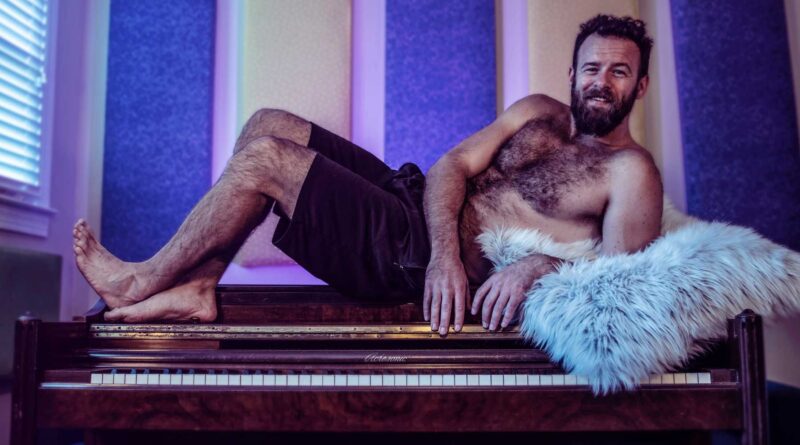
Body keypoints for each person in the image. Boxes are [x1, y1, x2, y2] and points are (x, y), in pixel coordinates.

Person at [73, 14, 662, 336]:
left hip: (408, 257)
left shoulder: (631, 172)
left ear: (640, 86)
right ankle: (201, 287)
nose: (601, 82)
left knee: (266, 160)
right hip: (417, 211)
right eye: (592, 68)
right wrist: (445, 253)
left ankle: (138, 282)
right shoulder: (538, 111)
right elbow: (453, 164)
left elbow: (619, 284)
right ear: (572, 74)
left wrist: (536, 265)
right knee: (267, 123)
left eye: (619, 72)